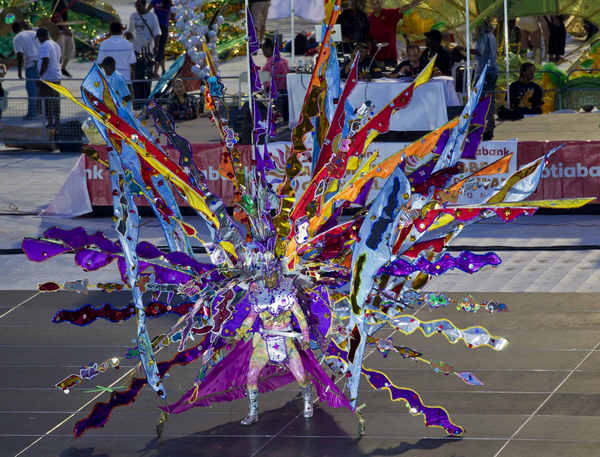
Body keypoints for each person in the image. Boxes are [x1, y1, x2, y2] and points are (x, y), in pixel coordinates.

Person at [235, 268, 313, 425]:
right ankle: (253, 412)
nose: (270, 280)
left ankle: (308, 398)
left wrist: (305, 339)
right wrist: (238, 335)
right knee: (251, 375)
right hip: (265, 342)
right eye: (267, 277)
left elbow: (301, 319)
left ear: (278, 276)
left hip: (287, 342)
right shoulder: (258, 296)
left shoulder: (288, 294)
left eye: (273, 276)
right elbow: (250, 319)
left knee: (301, 377)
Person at [368, 0, 421, 67]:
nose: (375, 4)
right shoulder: (369, 19)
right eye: (373, 2)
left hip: (390, 58)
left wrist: (410, 5)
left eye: (378, 2)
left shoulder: (389, 13)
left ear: (382, 2)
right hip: (374, 59)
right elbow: (368, 38)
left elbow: (400, 10)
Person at [129, 0, 161, 108]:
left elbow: (157, 33)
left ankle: (146, 102)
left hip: (148, 52)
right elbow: (130, 31)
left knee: (147, 78)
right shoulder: (133, 16)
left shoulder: (152, 17)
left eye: (139, 6)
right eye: (136, 6)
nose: (137, 8)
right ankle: (138, 103)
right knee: (136, 78)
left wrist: (156, 46)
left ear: (144, 5)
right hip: (135, 52)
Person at [473, 20, 498, 140]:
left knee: (483, 101)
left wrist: (465, 50)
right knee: (490, 100)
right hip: (492, 70)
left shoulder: (483, 37)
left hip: (485, 71)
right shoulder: (492, 36)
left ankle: (486, 127)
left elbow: (480, 52)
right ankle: (490, 125)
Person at [12, 21, 40, 119]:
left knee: (31, 89)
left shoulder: (17, 38)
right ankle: (41, 111)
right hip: (42, 63)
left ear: (13, 30)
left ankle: (32, 114)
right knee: (41, 88)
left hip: (31, 64)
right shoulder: (33, 33)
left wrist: (19, 71)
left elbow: (20, 54)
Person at [36, 27, 62, 131]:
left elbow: (45, 60)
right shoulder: (55, 44)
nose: (38, 40)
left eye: (38, 38)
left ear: (42, 36)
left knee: (47, 100)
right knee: (55, 100)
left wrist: (40, 76)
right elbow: (59, 59)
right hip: (56, 76)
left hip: (48, 77)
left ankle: (50, 123)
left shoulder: (45, 45)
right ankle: (57, 121)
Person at [261, 37, 289, 122]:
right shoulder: (285, 61)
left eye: (264, 50)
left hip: (276, 95)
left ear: (269, 49)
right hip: (287, 92)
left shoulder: (266, 67)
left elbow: (264, 86)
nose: (263, 53)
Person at [146, 0, 172, 75]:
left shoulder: (169, 2)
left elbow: (172, 14)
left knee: (160, 48)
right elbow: (147, 10)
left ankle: (155, 71)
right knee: (159, 48)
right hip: (155, 27)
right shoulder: (155, 1)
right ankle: (163, 69)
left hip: (164, 27)